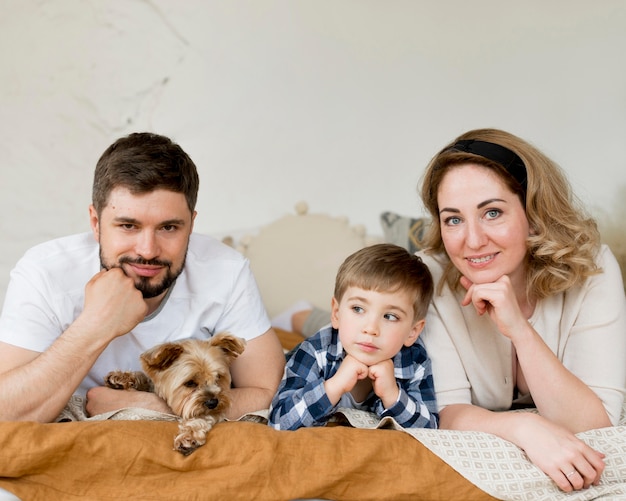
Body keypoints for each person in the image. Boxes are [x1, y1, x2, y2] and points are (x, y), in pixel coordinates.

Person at [281, 128, 626, 493]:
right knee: (355, 329)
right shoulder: (430, 274)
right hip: (394, 321)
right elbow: (444, 410)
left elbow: (596, 423)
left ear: (534, 213)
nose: (472, 241)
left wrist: (520, 331)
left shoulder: (594, 269)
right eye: (454, 219)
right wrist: (526, 428)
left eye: (492, 212)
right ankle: (299, 313)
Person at [0, 132, 285, 423]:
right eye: (128, 225)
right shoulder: (44, 272)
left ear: (191, 225)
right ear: (96, 223)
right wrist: (94, 326)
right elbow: (5, 411)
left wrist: (144, 406)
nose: (148, 251)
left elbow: (269, 393)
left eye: (169, 228)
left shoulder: (226, 270)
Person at [268, 243, 438, 431]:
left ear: (413, 332)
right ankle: (297, 315)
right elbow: (278, 422)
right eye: (358, 309)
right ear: (336, 313)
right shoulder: (314, 351)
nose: (371, 329)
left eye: (390, 316)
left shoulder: (415, 360)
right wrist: (333, 387)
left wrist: (392, 395)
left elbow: (430, 429)